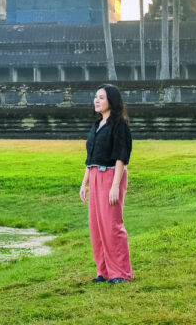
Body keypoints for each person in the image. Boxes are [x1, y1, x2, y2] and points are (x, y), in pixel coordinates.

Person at [80, 83, 134, 284]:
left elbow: (121, 156)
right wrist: (84, 183)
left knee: (112, 225)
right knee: (96, 226)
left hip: (111, 176)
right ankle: (103, 271)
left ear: (111, 100)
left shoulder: (119, 124)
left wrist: (115, 186)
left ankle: (120, 272)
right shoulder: (96, 126)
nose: (96, 100)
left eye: (101, 97)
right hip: (94, 176)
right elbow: (90, 157)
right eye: (95, 97)